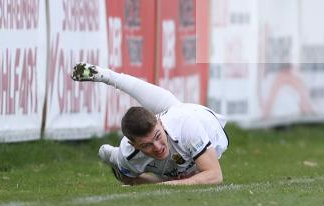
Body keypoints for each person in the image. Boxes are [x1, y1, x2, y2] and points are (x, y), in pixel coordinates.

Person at [71, 62, 227, 185]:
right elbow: (130, 180)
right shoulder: (128, 153)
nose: (157, 147)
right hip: (170, 123)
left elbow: (214, 175)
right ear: (134, 145)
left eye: (157, 137)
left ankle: (106, 75)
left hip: (199, 118)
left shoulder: (186, 126)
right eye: (146, 145)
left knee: (191, 174)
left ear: (160, 121)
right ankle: (113, 156)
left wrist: (170, 184)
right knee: (125, 166)